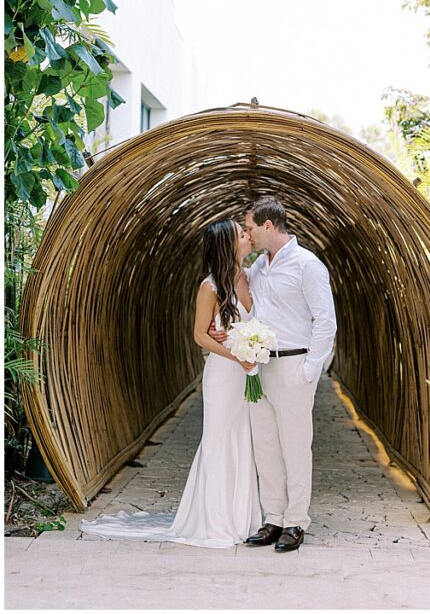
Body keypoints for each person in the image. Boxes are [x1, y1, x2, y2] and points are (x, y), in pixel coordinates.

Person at [81, 219, 263, 547]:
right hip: (224, 374)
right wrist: (238, 355)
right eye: (241, 233)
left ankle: (243, 517)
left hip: (248, 372)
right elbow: (198, 335)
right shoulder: (210, 287)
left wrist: (253, 347)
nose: (248, 236)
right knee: (219, 439)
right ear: (228, 244)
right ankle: (214, 520)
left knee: (244, 439)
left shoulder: (252, 277)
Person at [212, 196, 337, 553]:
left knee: (295, 445)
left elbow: (325, 321)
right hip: (259, 365)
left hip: (294, 365)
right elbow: (233, 291)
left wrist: (310, 371)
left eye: (249, 227)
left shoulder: (307, 265)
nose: (247, 234)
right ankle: (274, 518)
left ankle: (297, 521)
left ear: (269, 225)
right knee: (265, 445)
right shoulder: (258, 268)